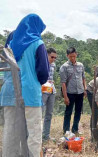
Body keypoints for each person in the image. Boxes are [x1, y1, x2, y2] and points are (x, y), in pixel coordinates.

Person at [7, 14, 49, 157]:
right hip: (31, 93)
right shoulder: (38, 44)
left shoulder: (11, 44)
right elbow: (43, 73)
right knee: (34, 132)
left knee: (14, 132)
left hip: (12, 94)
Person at [60, 47, 86, 134]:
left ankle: (75, 129)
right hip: (70, 93)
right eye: (71, 56)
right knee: (68, 112)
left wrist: (84, 89)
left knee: (78, 112)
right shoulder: (64, 67)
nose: (72, 58)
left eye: (74, 56)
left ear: (76, 55)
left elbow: (83, 78)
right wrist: (65, 97)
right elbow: (63, 83)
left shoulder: (80, 65)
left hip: (80, 92)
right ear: (67, 56)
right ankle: (66, 130)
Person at [42, 48, 57, 141]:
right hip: (43, 90)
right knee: (40, 112)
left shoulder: (54, 65)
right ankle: (38, 135)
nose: (53, 59)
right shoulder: (41, 63)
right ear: (46, 55)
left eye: (55, 57)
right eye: (52, 57)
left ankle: (46, 135)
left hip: (51, 90)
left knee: (49, 113)